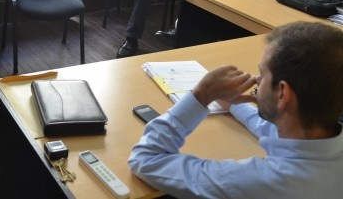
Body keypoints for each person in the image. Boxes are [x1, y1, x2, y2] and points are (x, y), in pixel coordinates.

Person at [129, 21, 343, 198]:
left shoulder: (252, 182)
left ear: (282, 94)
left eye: (262, 74)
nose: (257, 79)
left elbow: (145, 159)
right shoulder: (320, 133)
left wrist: (201, 95)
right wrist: (233, 105)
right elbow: (281, 132)